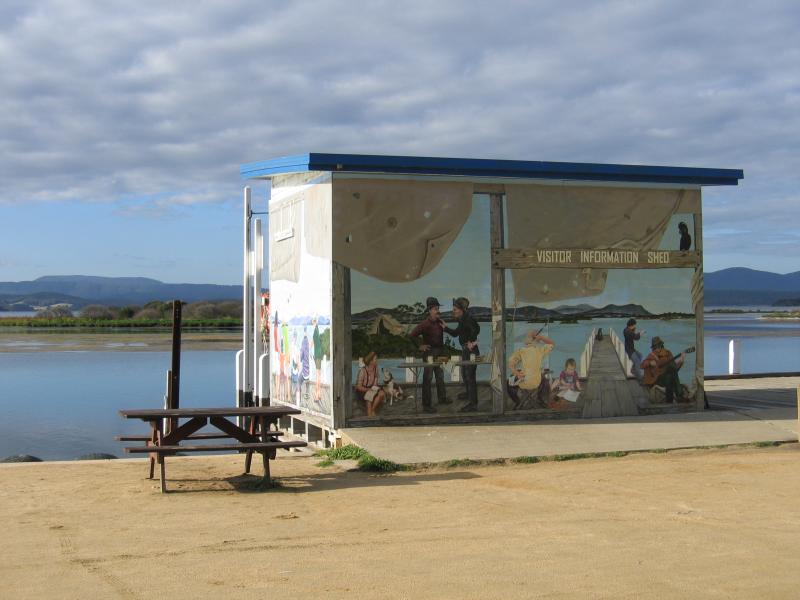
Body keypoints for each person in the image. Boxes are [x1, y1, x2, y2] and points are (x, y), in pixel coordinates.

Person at [408, 297, 449, 413]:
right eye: (435, 309)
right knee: (428, 379)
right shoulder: (424, 324)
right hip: (429, 354)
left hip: (439, 353)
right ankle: (426, 405)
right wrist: (420, 346)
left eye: (438, 308)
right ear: (430, 310)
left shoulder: (440, 322)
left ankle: (442, 398)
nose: (438, 311)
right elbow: (412, 335)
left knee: (440, 376)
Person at [444, 297, 480, 412]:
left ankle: (473, 404)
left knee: (470, 376)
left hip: (471, 351)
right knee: (465, 374)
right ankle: (469, 394)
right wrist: (445, 328)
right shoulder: (462, 320)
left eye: (455, 309)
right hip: (465, 351)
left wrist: (471, 341)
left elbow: (476, 329)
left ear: (461, 310)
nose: (453, 311)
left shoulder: (467, 319)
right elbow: (456, 334)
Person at [507, 330, 555, 409]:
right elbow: (552, 344)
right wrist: (541, 338)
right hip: (536, 382)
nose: (525, 338)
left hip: (524, 382)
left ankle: (517, 401)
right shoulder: (540, 350)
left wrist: (516, 373)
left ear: (531, 339)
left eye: (527, 337)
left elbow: (510, 363)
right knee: (544, 379)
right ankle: (540, 399)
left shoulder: (521, 350)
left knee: (509, 381)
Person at [641, 336, 685, 403]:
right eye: (655, 347)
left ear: (661, 346)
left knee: (670, 376)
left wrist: (681, 361)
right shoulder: (652, 355)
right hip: (656, 379)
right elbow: (642, 365)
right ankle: (679, 394)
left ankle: (670, 401)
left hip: (666, 378)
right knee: (671, 371)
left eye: (658, 346)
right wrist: (650, 363)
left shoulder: (668, 353)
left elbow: (675, 369)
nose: (657, 349)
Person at [355, 351, 386, 417]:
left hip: (371, 388)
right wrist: (368, 390)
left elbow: (375, 383)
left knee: (382, 393)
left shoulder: (376, 369)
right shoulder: (362, 371)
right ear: (371, 361)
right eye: (376, 359)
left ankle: (372, 410)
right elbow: (358, 387)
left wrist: (374, 389)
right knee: (369, 398)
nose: (377, 361)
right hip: (362, 390)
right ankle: (369, 415)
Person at [312, 317, 323, 402]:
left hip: (317, 355)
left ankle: (317, 395)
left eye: (313, 321)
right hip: (318, 355)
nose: (312, 323)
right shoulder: (316, 330)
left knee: (317, 376)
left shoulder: (316, 330)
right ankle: (318, 394)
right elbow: (314, 342)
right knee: (318, 375)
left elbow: (313, 342)